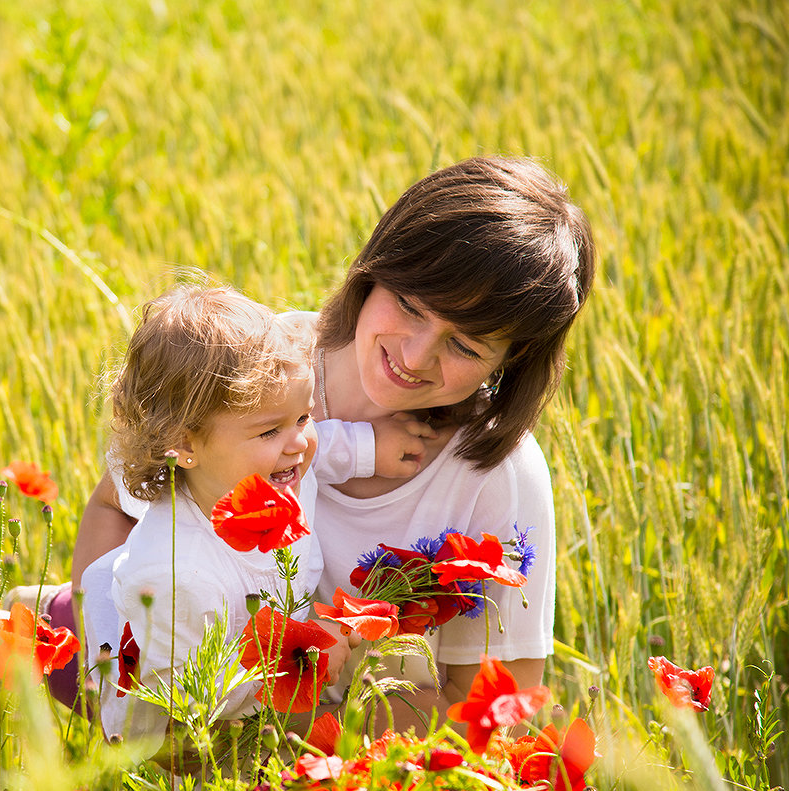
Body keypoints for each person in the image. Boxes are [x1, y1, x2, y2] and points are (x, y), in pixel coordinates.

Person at [72, 156, 596, 731]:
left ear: (511, 358)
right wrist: (109, 680)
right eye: (410, 307)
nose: (416, 357)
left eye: (465, 347)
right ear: (378, 267)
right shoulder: (257, 371)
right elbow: (111, 508)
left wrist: (286, 730)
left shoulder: (499, 475)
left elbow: (498, 714)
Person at [78, 284, 438, 754]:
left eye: (303, 417)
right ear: (185, 445)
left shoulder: (275, 466)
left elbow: (322, 447)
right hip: (175, 723)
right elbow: (199, 696)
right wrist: (306, 650)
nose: (297, 442)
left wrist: (372, 447)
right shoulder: (175, 574)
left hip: (257, 663)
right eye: (270, 429)